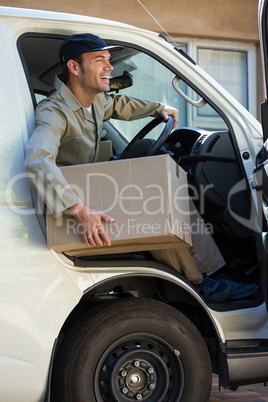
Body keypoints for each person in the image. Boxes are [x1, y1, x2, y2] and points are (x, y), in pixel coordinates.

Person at [25, 33, 258, 303]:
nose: (109, 67)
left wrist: (158, 108)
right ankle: (200, 284)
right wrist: (79, 210)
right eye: (99, 60)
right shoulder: (53, 111)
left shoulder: (94, 101)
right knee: (154, 206)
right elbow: (37, 161)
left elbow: (120, 105)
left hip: (95, 195)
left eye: (109, 60)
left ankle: (215, 273)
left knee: (173, 192)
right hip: (73, 214)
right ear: (74, 68)